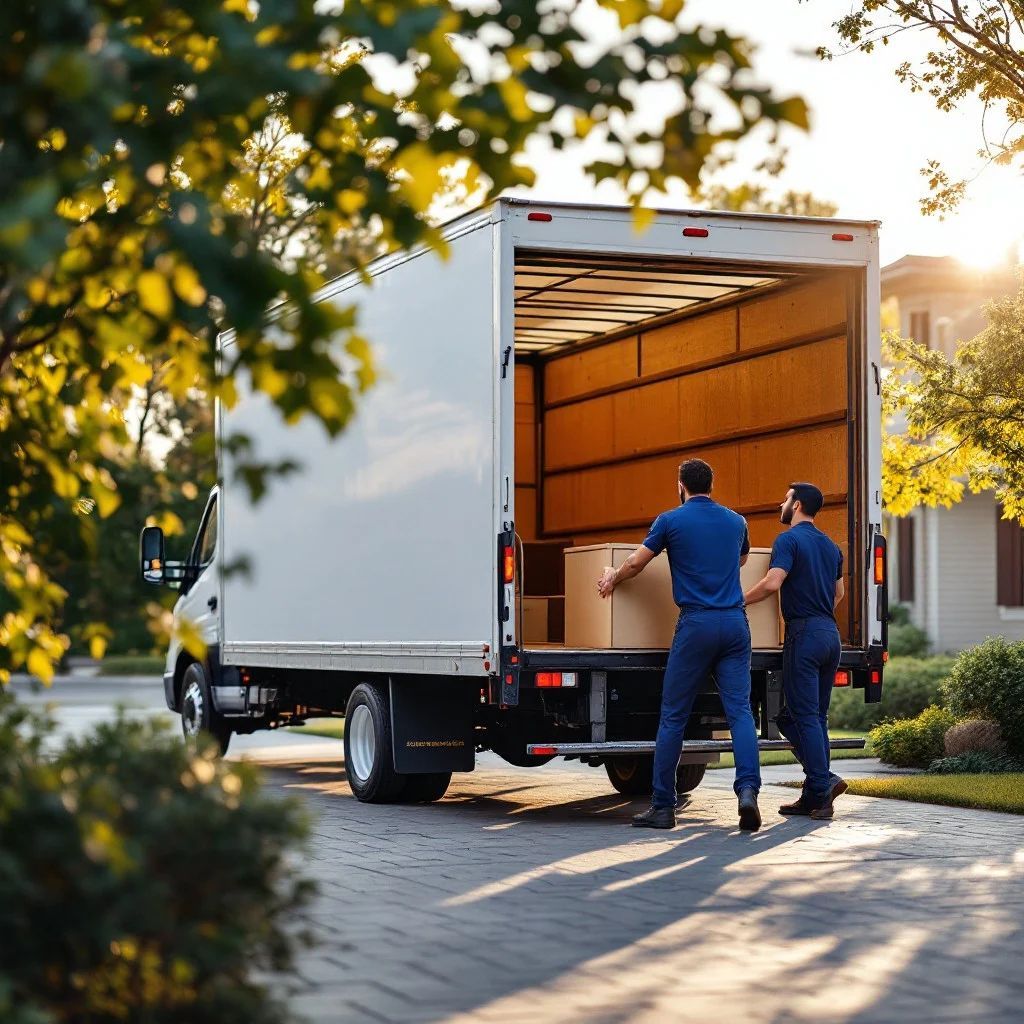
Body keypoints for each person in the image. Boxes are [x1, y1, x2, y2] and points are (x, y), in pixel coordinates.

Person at [597, 459, 762, 832]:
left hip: (696, 624)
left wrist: (613, 576)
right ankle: (748, 791)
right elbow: (742, 558)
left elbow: (638, 563)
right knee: (740, 713)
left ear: (680, 485)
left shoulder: (670, 520)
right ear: (711, 484)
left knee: (674, 715)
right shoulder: (737, 522)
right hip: (736, 624)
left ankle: (662, 807)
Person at [744, 483, 845, 819]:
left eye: (785, 498)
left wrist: (735, 600)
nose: (780, 502)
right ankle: (815, 791)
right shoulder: (831, 547)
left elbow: (773, 582)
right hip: (830, 633)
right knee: (807, 717)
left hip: (804, 633)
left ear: (797, 504)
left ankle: (822, 787)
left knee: (805, 717)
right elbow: (839, 594)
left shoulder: (788, 540)